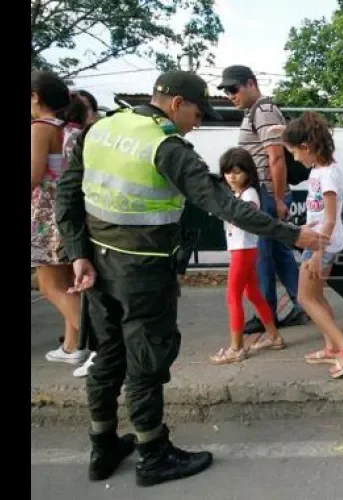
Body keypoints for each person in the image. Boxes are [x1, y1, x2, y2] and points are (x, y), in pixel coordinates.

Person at [54, 70, 327, 487]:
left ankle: (102, 446)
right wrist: (293, 234)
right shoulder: (166, 146)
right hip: (143, 270)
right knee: (145, 362)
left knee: (108, 355)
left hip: (97, 263)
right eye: (197, 113)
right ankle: (153, 454)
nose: (198, 123)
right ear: (177, 103)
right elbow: (221, 203)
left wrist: (77, 254)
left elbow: (68, 193)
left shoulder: (100, 130)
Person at [218, 65, 305, 333]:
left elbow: (276, 158)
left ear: (251, 84)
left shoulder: (264, 111)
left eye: (233, 88)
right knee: (280, 256)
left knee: (263, 258)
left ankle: (267, 314)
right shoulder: (255, 112)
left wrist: (278, 200)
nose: (230, 94)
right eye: (225, 90)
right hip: (268, 194)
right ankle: (302, 304)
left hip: (267, 195)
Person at [278, 112, 343, 378]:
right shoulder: (319, 170)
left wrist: (317, 253)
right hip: (319, 241)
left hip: (321, 244)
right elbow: (320, 218)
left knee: (305, 297)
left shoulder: (327, 174)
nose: (294, 158)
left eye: (294, 152)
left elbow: (329, 219)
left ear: (307, 147)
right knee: (315, 296)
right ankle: (332, 348)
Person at [32, 71, 90, 368]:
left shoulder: (41, 127)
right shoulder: (73, 129)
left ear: (35, 97)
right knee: (70, 283)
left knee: (49, 286)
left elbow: (32, 175)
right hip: (70, 213)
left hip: (46, 216)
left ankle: (101, 343)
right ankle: (72, 347)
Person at [210, 148, 283, 364]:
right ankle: (274, 337)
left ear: (248, 173)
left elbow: (245, 217)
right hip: (243, 249)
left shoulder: (249, 194)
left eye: (237, 172)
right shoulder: (238, 194)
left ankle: (236, 348)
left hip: (244, 250)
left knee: (233, 297)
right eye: (228, 172)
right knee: (252, 294)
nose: (232, 176)